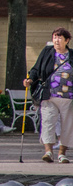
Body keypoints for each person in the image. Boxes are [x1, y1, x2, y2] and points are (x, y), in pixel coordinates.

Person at [25, 27, 73, 163]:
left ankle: (62, 153)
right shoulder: (47, 52)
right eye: (54, 37)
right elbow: (36, 69)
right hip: (49, 95)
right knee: (48, 122)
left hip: (68, 97)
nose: (56, 40)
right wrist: (30, 79)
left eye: (59, 37)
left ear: (67, 40)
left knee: (68, 125)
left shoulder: (72, 55)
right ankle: (48, 152)